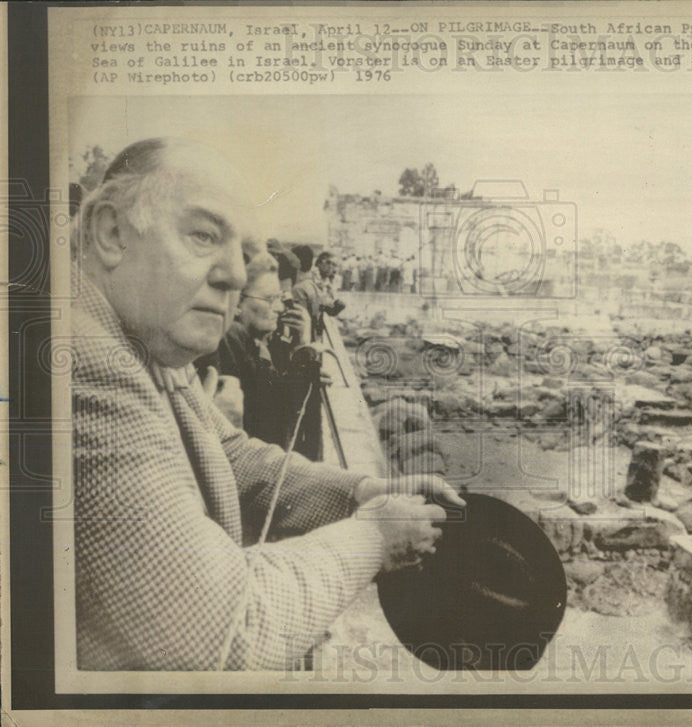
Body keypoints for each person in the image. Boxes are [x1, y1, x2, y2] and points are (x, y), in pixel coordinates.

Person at [70, 137, 463, 671]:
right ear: (112, 233)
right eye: (204, 235)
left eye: (245, 252)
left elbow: (228, 454)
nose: (234, 274)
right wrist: (374, 534)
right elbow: (227, 635)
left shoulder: (146, 341)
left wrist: (365, 492)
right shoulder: (81, 361)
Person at [196, 252, 311, 448]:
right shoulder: (230, 340)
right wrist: (303, 359)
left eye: (279, 298)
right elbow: (274, 426)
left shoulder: (246, 341)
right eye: (269, 299)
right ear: (237, 302)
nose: (280, 307)